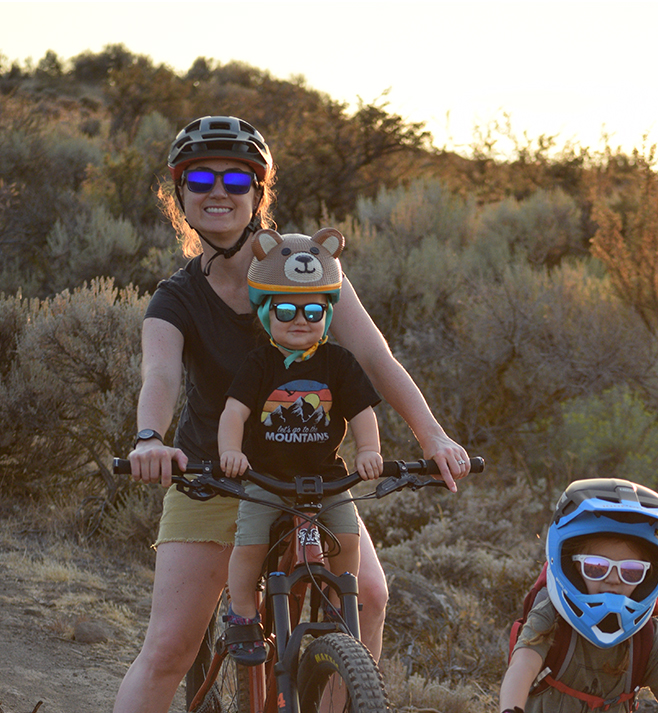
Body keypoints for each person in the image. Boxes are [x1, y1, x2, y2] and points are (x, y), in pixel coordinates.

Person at [115, 115, 471, 713]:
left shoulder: (310, 268)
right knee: (169, 649)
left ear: (258, 193)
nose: (219, 192)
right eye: (200, 179)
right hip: (215, 476)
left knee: (370, 597)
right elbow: (161, 375)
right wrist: (150, 438)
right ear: (180, 195)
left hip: (311, 476)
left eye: (236, 180)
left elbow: (375, 358)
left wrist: (433, 437)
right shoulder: (176, 298)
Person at [218, 227, 384, 665]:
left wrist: (369, 451)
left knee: (347, 537)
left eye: (313, 310)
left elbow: (363, 413)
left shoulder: (338, 363)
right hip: (266, 479)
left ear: (327, 315)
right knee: (250, 544)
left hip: (326, 479)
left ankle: (340, 601)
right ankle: (242, 612)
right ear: (267, 313)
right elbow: (233, 412)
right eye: (286, 310)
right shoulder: (260, 363)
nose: (300, 319)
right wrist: (231, 453)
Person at [500, 478, 658, 713]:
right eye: (596, 567)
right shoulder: (550, 616)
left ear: (648, 578)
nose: (614, 579)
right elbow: (522, 667)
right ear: (572, 567)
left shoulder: (645, 636)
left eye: (631, 571)